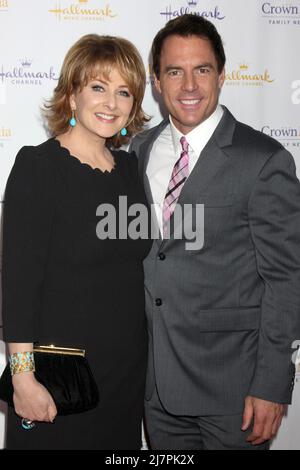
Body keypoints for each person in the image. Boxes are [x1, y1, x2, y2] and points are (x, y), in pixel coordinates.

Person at [130, 14, 300, 450]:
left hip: (236, 392)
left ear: (222, 75)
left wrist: (272, 383)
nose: (189, 85)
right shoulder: (139, 148)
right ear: (156, 80)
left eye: (201, 69)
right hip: (157, 388)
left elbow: (287, 279)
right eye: (174, 71)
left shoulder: (263, 160)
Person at [2, 34, 152, 450]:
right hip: (59, 378)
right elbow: (19, 285)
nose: (112, 103)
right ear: (72, 95)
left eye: (124, 92)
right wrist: (23, 377)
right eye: (98, 87)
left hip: (125, 375)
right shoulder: (39, 167)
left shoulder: (129, 168)